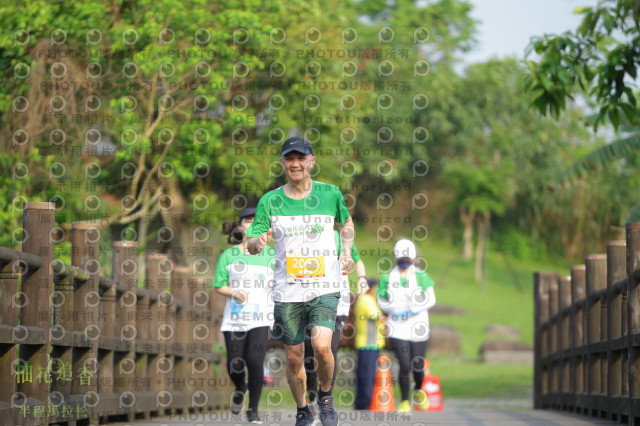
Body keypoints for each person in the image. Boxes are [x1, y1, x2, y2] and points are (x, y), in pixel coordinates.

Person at [246, 136, 355, 426]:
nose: (295, 163)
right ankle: (303, 409)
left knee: (322, 348)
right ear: (283, 162)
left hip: (324, 286)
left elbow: (346, 223)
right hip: (288, 291)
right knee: (294, 357)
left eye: (301, 158)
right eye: (289, 158)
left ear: (311, 161)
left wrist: (346, 251)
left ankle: (327, 397)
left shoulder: (330, 194)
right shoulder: (270, 200)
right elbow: (251, 241)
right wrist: (259, 242)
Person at [212, 207, 275, 424]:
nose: (253, 224)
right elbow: (218, 285)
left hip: (262, 319)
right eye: (248, 221)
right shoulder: (229, 255)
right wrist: (234, 292)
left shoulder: (273, 255)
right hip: (235, 320)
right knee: (234, 364)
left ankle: (254, 410)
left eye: (258, 221)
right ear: (240, 227)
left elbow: (285, 282)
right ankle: (240, 387)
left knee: (255, 362)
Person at [303, 230, 367, 422]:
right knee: (309, 354)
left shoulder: (339, 237)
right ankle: (312, 399)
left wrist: (362, 279)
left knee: (327, 350)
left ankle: (326, 398)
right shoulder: (304, 233)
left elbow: (356, 259)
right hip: (308, 302)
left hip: (337, 304)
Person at [376, 239, 436, 413]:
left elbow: (431, 298)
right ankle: (403, 401)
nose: (404, 260)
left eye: (407, 257)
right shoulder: (387, 277)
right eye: (400, 257)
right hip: (397, 326)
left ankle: (418, 389)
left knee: (417, 365)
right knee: (403, 365)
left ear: (413, 257)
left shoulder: (420, 275)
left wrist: (416, 306)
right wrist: (390, 307)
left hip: (418, 325)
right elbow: (381, 300)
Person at [353, 278, 386, 410]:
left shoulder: (366, 300)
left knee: (365, 373)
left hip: (369, 343)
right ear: (372, 287)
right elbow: (377, 317)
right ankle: (365, 401)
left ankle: (362, 402)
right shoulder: (366, 300)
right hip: (368, 343)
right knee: (367, 374)